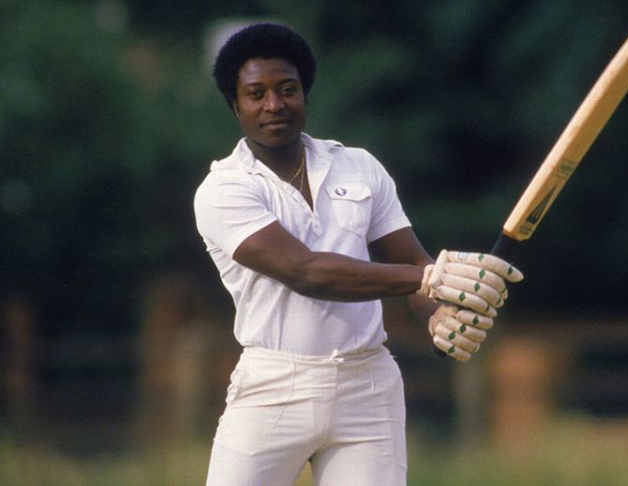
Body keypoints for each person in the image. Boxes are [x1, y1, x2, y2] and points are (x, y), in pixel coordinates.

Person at [194, 22, 523, 486]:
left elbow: (413, 261)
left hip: (366, 386)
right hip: (273, 384)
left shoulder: (359, 165)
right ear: (235, 105)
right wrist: (429, 280)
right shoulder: (224, 189)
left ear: (304, 94)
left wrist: (437, 312)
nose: (274, 105)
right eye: (256, 93)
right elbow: (307, 272)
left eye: (287, 89)